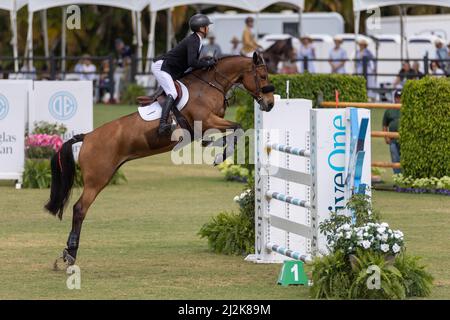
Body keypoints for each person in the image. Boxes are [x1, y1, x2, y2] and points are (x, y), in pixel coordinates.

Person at [152, 14, 217, 136]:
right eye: (207, 26)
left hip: (169, 68)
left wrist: (205, 61)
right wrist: (207, 63)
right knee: (173, 92)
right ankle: (162, 125)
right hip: (161, 66)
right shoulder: (194, 40)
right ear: (202, 29)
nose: (209, 28)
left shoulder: (196, 40)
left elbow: (192, 61)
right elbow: (192, 62)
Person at [382, 89, 402, 175]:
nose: (398, 99)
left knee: (404, 159)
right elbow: (384, 125)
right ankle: (398, 180)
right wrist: (386, 137)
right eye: (397, 97)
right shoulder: (389, 110)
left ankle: (405, 180)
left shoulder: (407, 109)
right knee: (395, 159)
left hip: (404, 140)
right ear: (394, 98)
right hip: (393, 140)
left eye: (400, 98)